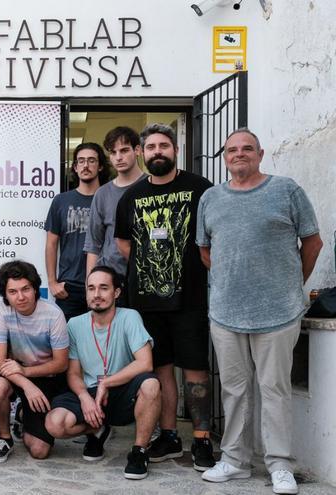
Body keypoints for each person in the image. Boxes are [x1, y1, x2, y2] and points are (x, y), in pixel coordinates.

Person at [197, 128, 322, 494]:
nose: (239, 154)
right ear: (225, 157)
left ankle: (279, 465)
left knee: (274, 390)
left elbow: (313, 242)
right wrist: (230, 281)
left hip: (278, 313)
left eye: (247, 148)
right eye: (232, 150)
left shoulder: (286, 190)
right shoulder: (210, 198)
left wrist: (290, 284)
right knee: (234, 390)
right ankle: (234, 461)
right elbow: (205, 250)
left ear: (260, 154)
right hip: (226, 313)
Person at [113, 123, 216, 470]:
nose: (158, 151)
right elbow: (123, 242)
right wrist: (152, 269)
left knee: (196, 369)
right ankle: (169, 435)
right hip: (147, 303)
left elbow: (214, 234)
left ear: (176, 150)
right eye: (151, 147)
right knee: (160, 371)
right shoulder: (131, 197)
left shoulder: (200, 189)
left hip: (190, 300)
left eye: (164, 145)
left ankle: (202, 440)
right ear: (142, 153)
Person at [45, 266, 161, 480]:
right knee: (55, 424)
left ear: (116, 292)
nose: (96, 294)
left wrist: (106, 383)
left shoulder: (130, 317)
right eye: (91, 288)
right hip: (90, 392)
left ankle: (139, 452)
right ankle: (96, 430)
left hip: (123, 390)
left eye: (103, 288)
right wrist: (84, 398)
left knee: (151, 384)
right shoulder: (74, 324)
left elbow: (145, 363)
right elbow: (73, 374)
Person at [0, 260, 69, 463]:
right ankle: (5, 438)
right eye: (13, 292)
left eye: (25, 289)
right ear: (5, 294)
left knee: (40, 451)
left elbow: (61, 363)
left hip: (45, 375)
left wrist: (27, 373)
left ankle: (22, 415)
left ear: (35, 288)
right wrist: (26, 384)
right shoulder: (0, 311)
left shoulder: (53, 314)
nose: (20, 297)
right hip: (12, 371)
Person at [45, 142, 107, 320]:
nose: (86, 165)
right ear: (75, 167)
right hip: (69, 288)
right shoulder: (61, 201)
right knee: (68, 337)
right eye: (81, 161)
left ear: (100, 166)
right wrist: (52, 282)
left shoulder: (109, 199)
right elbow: (51, 244)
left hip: (103, 284)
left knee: (103, 336)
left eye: (91, 161)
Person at [84, 127, 146, 279]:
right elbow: (93, 245)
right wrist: (90, 284)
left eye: (124, 150)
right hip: (110, 277)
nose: (118, 157)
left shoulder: (152, 186)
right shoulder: (102, 194)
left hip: (147, 275)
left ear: (137, 150)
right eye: (113, 152)